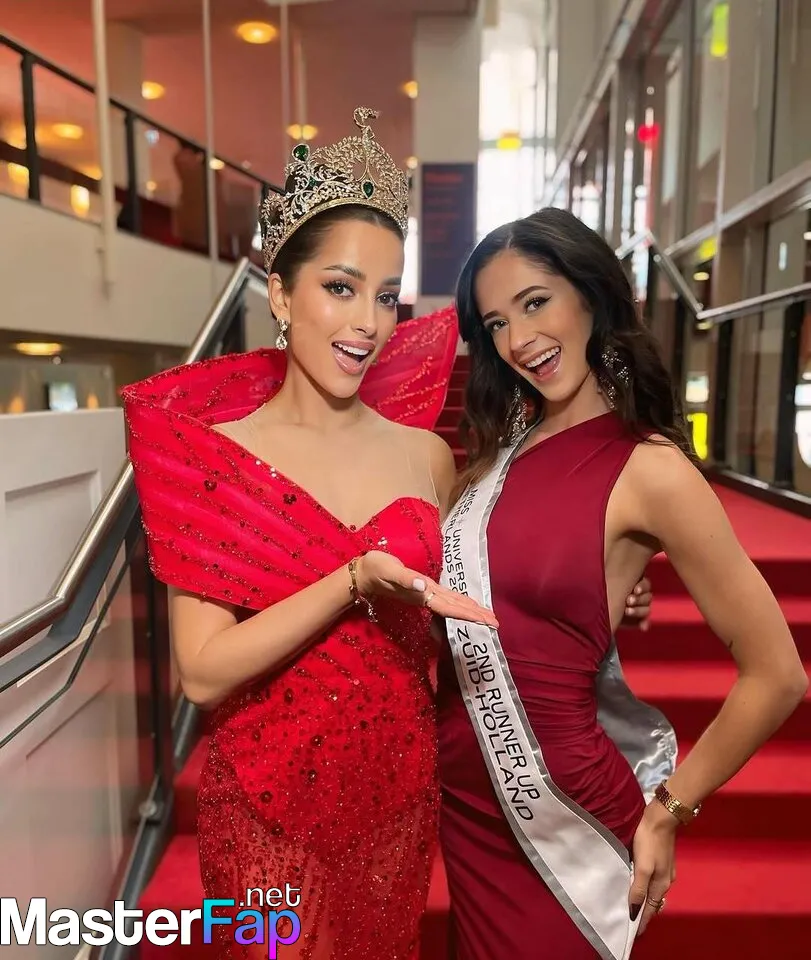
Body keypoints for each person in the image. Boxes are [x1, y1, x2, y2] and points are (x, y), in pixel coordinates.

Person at [122, 108, 498, 960]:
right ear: (281, 295)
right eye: (339, 287)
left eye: (385, 295)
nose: (367, 321)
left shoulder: (424, 454)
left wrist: (608, 587)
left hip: (396, 793)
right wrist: (350, 581)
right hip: (263, 802)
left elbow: (465, 602)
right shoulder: (217, 457)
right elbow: (200, 672)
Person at [435, 208, 808, 960]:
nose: (519, 338)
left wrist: (669, 809)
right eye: (496, 322)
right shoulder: (490, 462)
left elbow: (778, 676)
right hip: (466, 812)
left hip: (563, 814)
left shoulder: (651, 469)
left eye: (536, 302)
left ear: (590, 293)